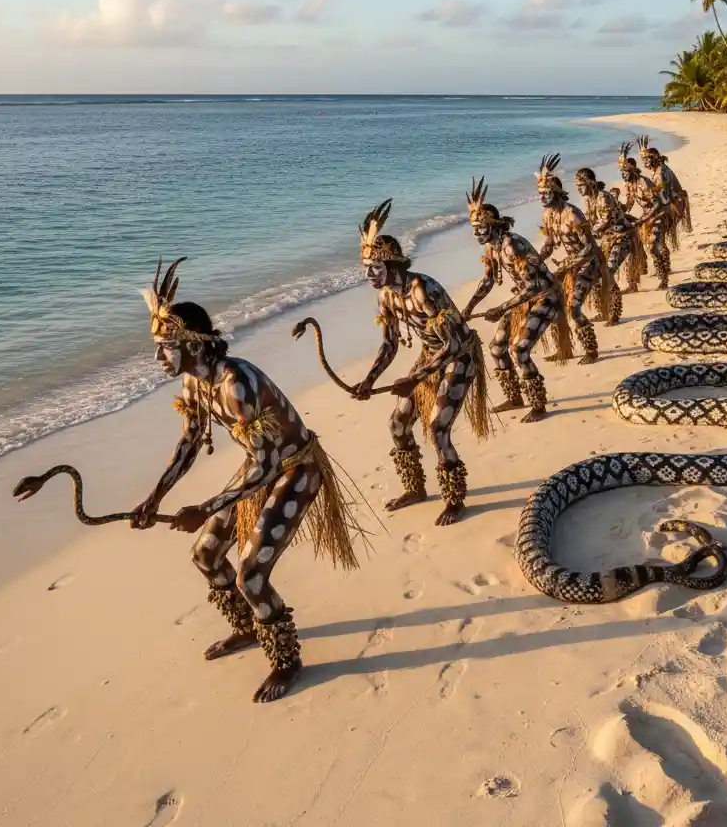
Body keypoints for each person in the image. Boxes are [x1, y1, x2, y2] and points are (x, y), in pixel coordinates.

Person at [130, 258, 363, 703]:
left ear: (193, 345)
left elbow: (267, 464)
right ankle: (249, 628)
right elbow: (190, 444)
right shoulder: (194, 384)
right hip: (259, 467)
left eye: (165, 346)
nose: (158, 357)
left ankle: (286, 660)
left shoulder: (237, 384)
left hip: (295, 469)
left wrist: (207, 508)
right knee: (205, 554)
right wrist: (152, 497)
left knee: (250, 572)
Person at [353, 200, 491, 525]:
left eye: (375, 267)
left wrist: (415, 379)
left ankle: (455, 499)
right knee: (397, 424)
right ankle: (415, 488)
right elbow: (389, 343)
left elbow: (454, 343)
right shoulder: (386, 296)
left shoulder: (422, 289)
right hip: (430, 357)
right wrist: (369, 380)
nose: (369, 275)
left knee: (437, 427)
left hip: (460, 356)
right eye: (366, 269)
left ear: (393, 264)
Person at [463, 178, 572, 423]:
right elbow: (488, 281)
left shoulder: (512, 245)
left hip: (545, 298)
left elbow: (533, 286)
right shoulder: (492, 248)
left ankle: (538, 404)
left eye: (480, 227)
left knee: (518, 349)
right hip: (524, 301)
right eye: (474, 228)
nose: (476, 232)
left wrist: (500, 308)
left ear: (493, 225)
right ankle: (514, 397)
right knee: (496, 348)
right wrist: (468, 308)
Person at [533, 153, 608, 353]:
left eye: (546, 193)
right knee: (556, 307)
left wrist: (572, 264)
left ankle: (591, 350)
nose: (542, 197)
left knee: (573, 308)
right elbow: (549, 244)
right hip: (569, 264)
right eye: (540, 193)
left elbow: (589, 247)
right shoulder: (547, 215)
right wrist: (537, 262)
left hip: (588, 264)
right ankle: (564, 349)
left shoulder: (572, 214)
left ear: (556, 192)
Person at [574, 167, 645, 317]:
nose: (578, 189)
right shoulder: (588, 201)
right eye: (577, 186)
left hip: (622, 238)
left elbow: (605, 222)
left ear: (590, 183)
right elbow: (590, 223)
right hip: (607, 241)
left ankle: (614, 313)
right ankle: (604, 310)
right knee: (596, 274)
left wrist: (588, 233)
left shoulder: (603, 198)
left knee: (608, 273)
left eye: (580, 185)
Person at [619, 142, 673, 290]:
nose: (623, 174)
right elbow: (628, 205)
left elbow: (657, 203)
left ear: (633, 171)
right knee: (632, 245)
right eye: (621, 171)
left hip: (659, 215)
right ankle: (633, 283)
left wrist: (644, 219)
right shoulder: (629, 184)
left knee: (653, 247)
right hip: (647, 216)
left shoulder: (643, 182)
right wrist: (616, 207)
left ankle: (664, 279)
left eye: (625, 171)